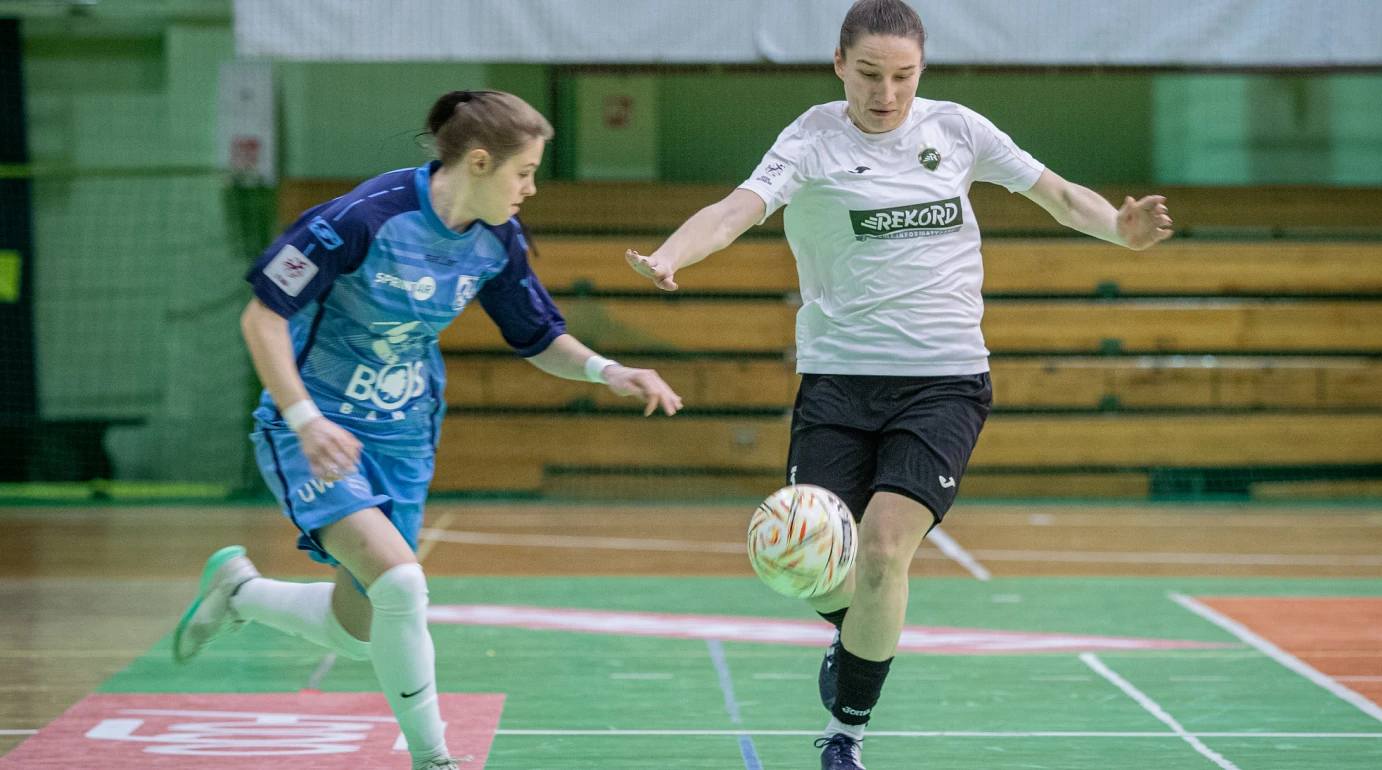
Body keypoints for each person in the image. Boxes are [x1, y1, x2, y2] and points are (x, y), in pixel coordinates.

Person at [625, 2, 1173, 767]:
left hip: (943, 381)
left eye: (904, 76)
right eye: (870, 74)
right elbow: (734, 211)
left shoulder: (957, 129)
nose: (886, 93)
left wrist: (1119, 227)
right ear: (839, 65)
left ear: (922, 70)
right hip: (838, 383)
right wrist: (671, 255)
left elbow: (1055, 193)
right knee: (810, 565)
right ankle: (857, 634)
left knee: (883, 551)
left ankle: (845, 733)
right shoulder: (810, 139)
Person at [172, 89, 683, 770]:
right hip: (316, 428)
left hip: (404, 435)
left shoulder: (496, 238)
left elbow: (537, 337)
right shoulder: (360, 220)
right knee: (402, 586)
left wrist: (609, 370)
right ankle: (434, 757)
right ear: (479, 162)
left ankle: (240, 592)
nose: (531, 189)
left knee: (359, 631)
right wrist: (305, 418)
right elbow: (261, 317)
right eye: (525, 172)